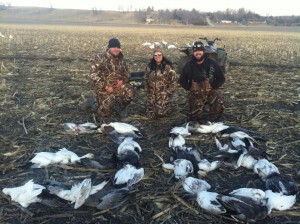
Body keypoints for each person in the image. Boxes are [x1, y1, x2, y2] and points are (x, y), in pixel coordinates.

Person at [179, 41, 225, 122]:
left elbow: (221, 78)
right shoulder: (189, 65)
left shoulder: (212, 63)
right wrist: (190, 88)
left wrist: (213, 86)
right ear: (193, 52)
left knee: (219, 98)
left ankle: (213, 120)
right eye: (196, 51)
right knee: (196, 119)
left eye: (200, 50)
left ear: (203, 51)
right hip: (196, 94)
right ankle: (198, 116)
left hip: (210, 92)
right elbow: (182, 80)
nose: (198, 53)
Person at [90, 38, 136, 119]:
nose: (116, 49)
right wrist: (106, 87)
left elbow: (128, 74)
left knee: (130, 91)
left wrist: (122, 81)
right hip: (104, 89)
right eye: (114, 47)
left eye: (118, 47)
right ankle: (94, 103)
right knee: (104, 114)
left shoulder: (121, 60)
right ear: (109, 48)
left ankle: (120, 107)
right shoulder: (100, 58)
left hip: (118, 87)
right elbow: (93, 75)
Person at [144, 47, 178, 118]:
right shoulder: (149, 66)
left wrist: (167, 93)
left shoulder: (168, 67)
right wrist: (147, 91)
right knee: (150, 115)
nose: (157, 57)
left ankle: (171, 106)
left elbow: (174, 83)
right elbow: (145, 79)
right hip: (152, 95)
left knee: (160, 113)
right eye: (155, 55)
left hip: (163, 95)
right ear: (153, 56)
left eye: (159, 55)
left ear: (163, 55)